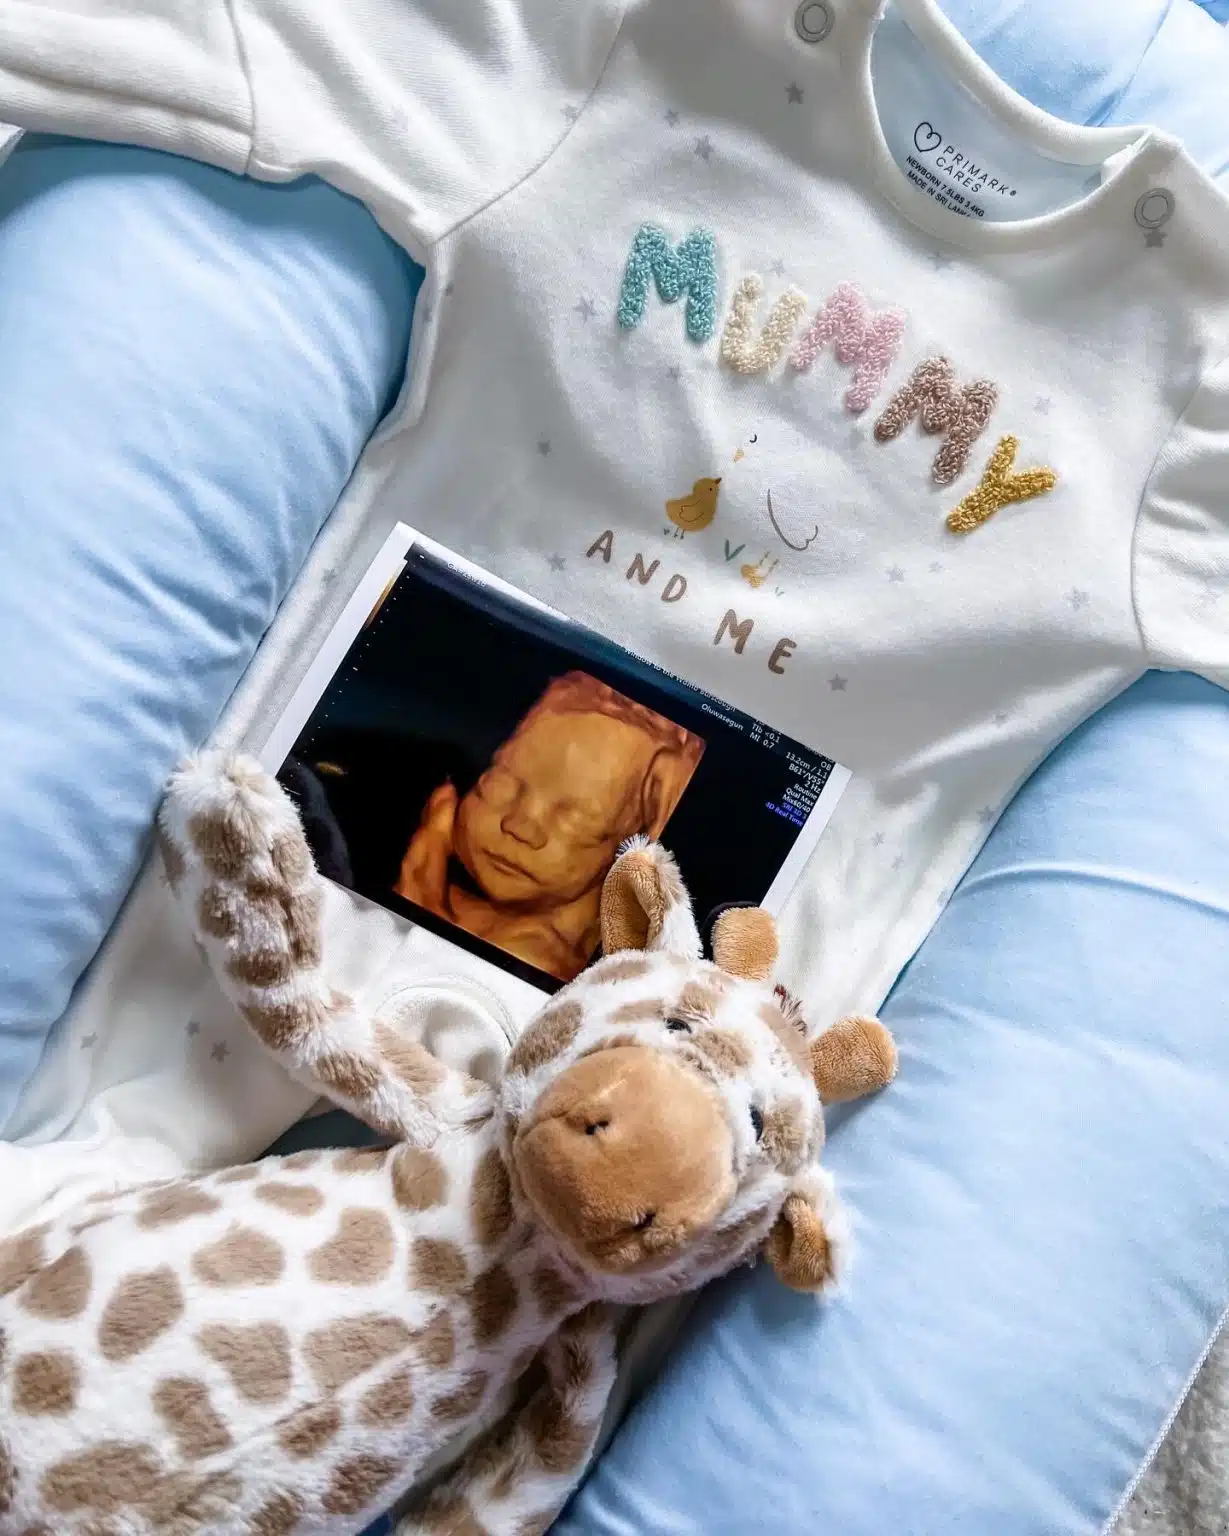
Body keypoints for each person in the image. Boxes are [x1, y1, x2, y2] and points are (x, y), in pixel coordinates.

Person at [395, 671, 704, 980]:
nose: (519, 827)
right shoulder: (464, 903)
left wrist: (423, 876)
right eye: (501, 784)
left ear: (635, 845)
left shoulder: (533, 957)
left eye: (576, 818)